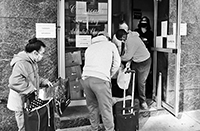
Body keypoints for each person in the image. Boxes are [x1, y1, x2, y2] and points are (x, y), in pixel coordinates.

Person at [7, 37, 53, 131]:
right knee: (24, 126)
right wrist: (30, 89)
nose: (42, 56)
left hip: (27, 99)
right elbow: (14, 82)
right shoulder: (21, 63)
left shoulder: (32, 62)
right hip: (21, 100)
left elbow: (33, 77)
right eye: (42, 53)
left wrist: (44, 81)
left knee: (30, 126)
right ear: (35, 53)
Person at [81, 25, 121, 131]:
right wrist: (108, 75)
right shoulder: (110, 45)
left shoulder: (89, 47)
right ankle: (109, 129)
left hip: (86, 79)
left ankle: (94, 129)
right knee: (106, 108)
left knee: (92, 107)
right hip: (100, 80)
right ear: (107, 38)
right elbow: (117, 63)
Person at [115, 29, 151, 110]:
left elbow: (128, 56)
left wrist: (118, 59)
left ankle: (143, 102)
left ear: (124, 36)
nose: (122, 41)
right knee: (131, 80)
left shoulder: (131, 40)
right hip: (136, 61)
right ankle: (129, 99)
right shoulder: (129, 37)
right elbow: (131, 54)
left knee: (141, 82)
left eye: (121, 39)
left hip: (144, 61)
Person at [134, 16, 154, 98]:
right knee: (134, 78)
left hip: (146, 57)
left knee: (143, 79)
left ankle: (144, 97)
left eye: (145, 21)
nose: (143, 22)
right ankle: (134, 96)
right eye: (142, 21)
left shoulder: (150, 33)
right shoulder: (136, 32)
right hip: (136, 57)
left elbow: (151, 44)